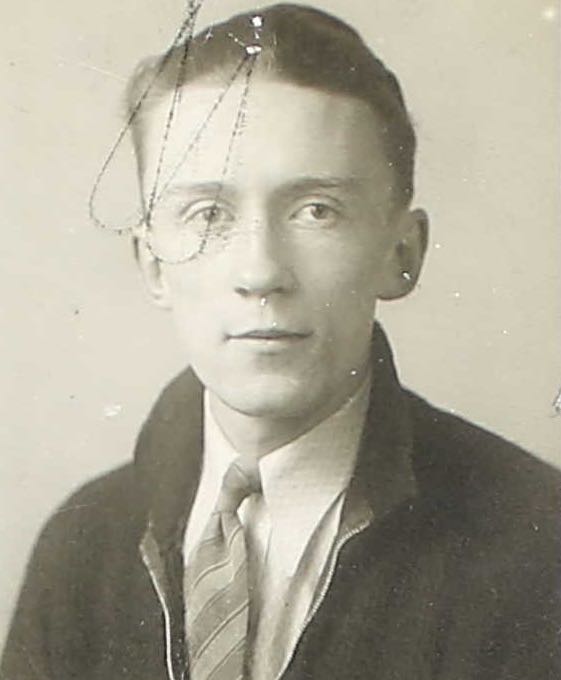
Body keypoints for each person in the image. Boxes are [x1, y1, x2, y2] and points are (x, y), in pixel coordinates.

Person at [2, 4, 560, 680]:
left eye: (316, 211)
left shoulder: (537, 546)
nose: (261, 272)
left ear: (401, 253)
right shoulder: (83, 546)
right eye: (208, 214)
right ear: (153, 265)